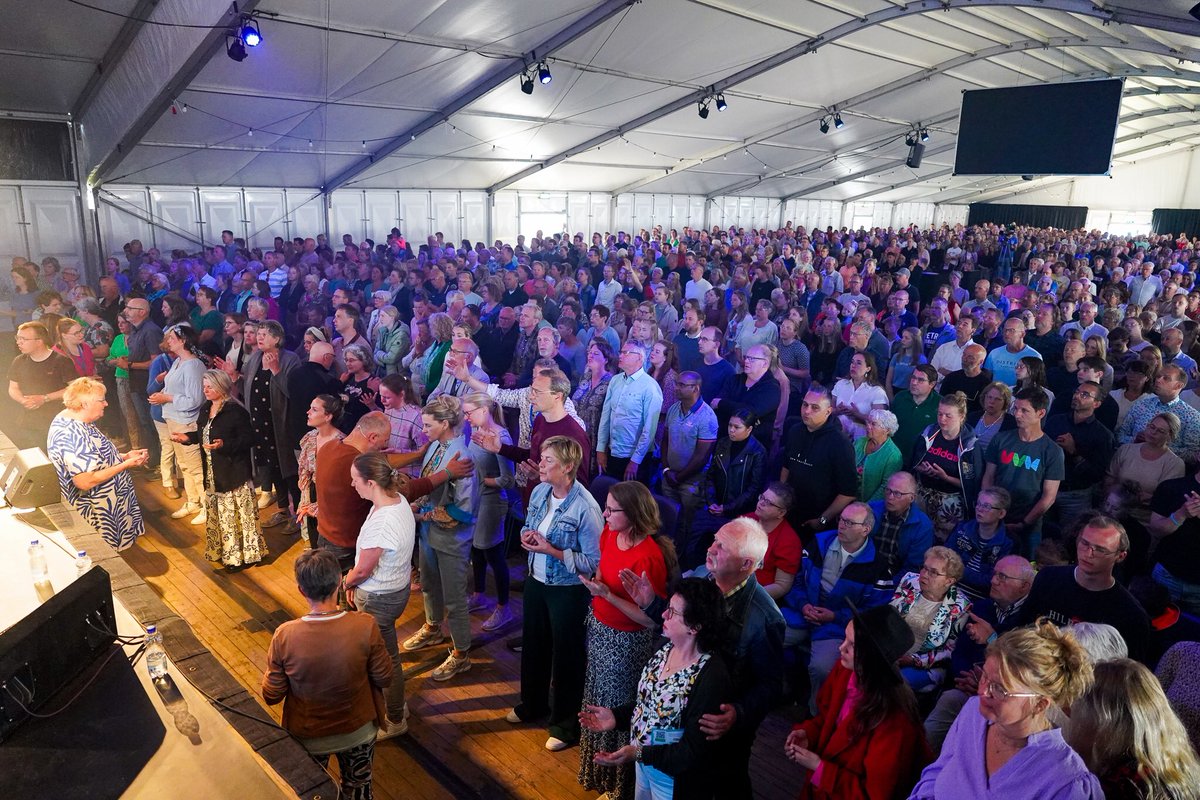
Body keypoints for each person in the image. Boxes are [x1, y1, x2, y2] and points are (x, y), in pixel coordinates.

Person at [908, 621, 1100, 799]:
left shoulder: (1065, 782)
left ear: (1040, 704)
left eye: (1000, 689)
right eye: (984, 677)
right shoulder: (973, 712)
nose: (983, 691)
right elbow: (938, 772)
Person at [579, 577, 732, 800]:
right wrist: (616, 716)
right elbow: (649, 702)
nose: (663, 615)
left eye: (672, 612)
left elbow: (693, 750)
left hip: (674, 779)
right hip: (645, 764)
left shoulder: (711, 677)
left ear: (695, 627)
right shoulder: (665, 647)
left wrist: (638, 753)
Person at [261, 549, 393, 800]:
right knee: (359, 789)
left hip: (310, 735)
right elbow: (385, 677)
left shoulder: (284, 635)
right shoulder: (365, 625)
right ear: (339, 582)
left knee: (312, 793)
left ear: (301, 590)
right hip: (358, 730)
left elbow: (271, 695)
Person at [576, 482, 674, 799]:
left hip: (626, 643)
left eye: (611, 509)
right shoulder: (609, 533)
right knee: (598, 697)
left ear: (631, 515)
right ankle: (598, 771)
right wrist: (597, 586)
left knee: (617, 709)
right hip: (600, 629)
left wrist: (608, 597)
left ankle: (619, 785)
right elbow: (603, 573)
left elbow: (651, 619)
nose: (604, 514)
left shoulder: (649, 558)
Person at [506, 435, 603, 752]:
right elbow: (530, 524)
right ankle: (532, 704)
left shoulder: (586, 508)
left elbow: (592, 562)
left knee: (567, 656)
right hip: (537, 580)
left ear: (569, 466)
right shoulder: (539, 491)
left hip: (568, 589)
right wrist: (527, 536)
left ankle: (565, 724)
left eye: (548, 460)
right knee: (534, 645)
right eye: (542, 458)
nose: (541, 464)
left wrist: (553, 550)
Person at [783, 603, 929, 800]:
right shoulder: (845, 670)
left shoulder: (895, 722)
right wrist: (808, 733)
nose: (841, 648)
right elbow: (825, 719)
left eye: (852, 645)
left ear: (873, 658)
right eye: (845, 639)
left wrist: (820, 768)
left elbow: (875, 795)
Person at [781, 503, 893, 714]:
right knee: (766, 635)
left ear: (866, 529)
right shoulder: (818, 543)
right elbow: (794, 580)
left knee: (822, 668)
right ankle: (777, 688)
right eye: (841, 519)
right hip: (801, 613)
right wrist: (803, 604)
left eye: (849, 523)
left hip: (837, 627)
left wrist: (835, 616)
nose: (841, 525)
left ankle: (816, 714)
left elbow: (873, 611)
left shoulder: (877, 566)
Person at [923, 555, 1034, 753]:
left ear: (1024, 587)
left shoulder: (1031, 620)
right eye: (994, 574)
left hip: (1004, 698)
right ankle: (918, 761)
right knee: (948, 703)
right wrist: (967, 679)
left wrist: (985, 680)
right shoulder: (982, 608)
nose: (993, 581)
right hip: (964, 688)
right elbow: (960, 652)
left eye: (1002, 577)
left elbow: (1020, 665)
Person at [402, 395, 477, 682]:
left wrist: (425, 514)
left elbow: (464, 510)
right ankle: (433, 628)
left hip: (451, 538)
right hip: (429, 533)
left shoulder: (463, 457)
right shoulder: (435, 445)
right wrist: (420, 506)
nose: (423, 430)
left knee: (455, 599)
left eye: (428, 424)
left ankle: (461, 654)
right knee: (430, 586)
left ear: (445, 424)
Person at [343, 452, 417, 741]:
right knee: (387, 655)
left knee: (387, 661)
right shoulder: (396, 502)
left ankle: (396, 718)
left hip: (379, 598)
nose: (352, 485)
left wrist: (345, 582)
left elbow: (363, 570)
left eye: (355, 480)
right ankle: (399, 706)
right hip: (395, 589)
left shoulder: (382, 522)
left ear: (371, 482)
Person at [1016, 516, 1151, 664]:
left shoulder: (1130, 614)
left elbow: (1128, 672)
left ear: (1120, 556)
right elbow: (1023, 625)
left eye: (1100, 549)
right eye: (1084, 543)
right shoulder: (1048, 577)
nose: (1088, 553)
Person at [1066, 658, 1200, 800]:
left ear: (1098, 720)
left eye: (1076, 705)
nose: (1070, 712)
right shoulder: (1172, 763)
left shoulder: (1122, 784)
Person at [169, 369, 265, 568]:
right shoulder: (206, 409)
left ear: (221, 387)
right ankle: (225, 552)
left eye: (209, 386)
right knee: (221, 517)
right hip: (214, 474)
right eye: (204, 386)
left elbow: (250, 439)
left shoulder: (236, 411)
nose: (205, 390)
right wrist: (187, 438)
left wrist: (224, 445)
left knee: (235, 516)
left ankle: (239, 558)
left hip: (233, 473)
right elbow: (203, 435)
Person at [47, 377, 148, 551]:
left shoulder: (76, 420)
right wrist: (126, 465)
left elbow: (94, 459)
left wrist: (123, 457)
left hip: (111, 503)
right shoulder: (72, 435)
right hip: (100, 513)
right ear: (85, 404)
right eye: (102, 400)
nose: (106, 404)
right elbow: (85, 481)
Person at [982, 387, 1064, 558]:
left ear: (1041, 413)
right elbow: (988, 477)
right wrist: (989, 508)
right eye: (1016, 409)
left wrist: (1024, 523)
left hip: (1029, 524)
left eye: (1024, 410)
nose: (1017, 414)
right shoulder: (1001, 439)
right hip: (995, 517)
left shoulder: (1052, 451)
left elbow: (1049, 496)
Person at [684, 408, 766, 570]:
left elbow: (753, 489)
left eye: (737, 427)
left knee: (722, 554)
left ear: (749, 429)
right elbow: (710, 476)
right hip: (714, 507)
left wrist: (727, 508)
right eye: (730, 425)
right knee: (693, 543)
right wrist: (712, 502)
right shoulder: (722, 443)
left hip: (736, 512)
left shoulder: (757, 452)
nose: (731, 430)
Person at [462, 392, 516, 632]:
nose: (465, 418)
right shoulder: (474, 433)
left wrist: (485, 482)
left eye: (468, 412)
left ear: (484, 411)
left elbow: (508, 479)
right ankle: (479, 594)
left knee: (492, 553)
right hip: (476, 498)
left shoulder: (500, 436)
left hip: (492, 502)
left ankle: (504, 608)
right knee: (477, 548)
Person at [243, 320, 302, 531]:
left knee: (289, 470)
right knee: (272, 466)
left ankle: (299, 515)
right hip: (260, 423)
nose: (259, 337)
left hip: (281, 425)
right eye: (258, 334)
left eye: (265, 334)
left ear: (277, 339)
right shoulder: (255, 358)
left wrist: (276, 370)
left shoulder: (290, 359)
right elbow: (248, 387)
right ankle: (282, 509)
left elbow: (293, 393)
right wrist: (233, 376)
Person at [890, 546, 971, 692]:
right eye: (924, 568)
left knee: (892, 682)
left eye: (933, 572)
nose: (924, 575)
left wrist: (912, 659)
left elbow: (948, 651)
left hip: (925, 665)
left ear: (949, 581)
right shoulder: (910, 581)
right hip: (891, 650)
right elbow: (890, 615)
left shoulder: (961, 606)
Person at [149, 324, 208, 525]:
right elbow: (172, 389)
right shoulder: (178, 363)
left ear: (183, 340)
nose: (168, 340)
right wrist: (163, 395)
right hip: (173, 419)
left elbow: (195, 399)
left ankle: (207, 505)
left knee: (195, 467)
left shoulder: (193, 365)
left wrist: (166, 397)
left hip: (186, 422)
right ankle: (193, 501)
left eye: (172, 337)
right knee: (183, 465)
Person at [782, 386, 858, 539]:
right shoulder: (795, 430)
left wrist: (823, 519)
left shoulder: (840, 443)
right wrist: (781, 498)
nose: (807, 411)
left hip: (816, 519)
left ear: (828, 411)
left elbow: (848, 492)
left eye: (814, 407)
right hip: (788, 512)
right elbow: (786, 466)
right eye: (805, 405)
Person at [1043, 381, 1116, 529]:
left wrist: (1073, 451)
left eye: (1085, 395)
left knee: (1070, 534)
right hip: (1046, 487)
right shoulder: (1055, 421)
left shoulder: (1103, 435)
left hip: (1075, 495)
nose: (1077, 396)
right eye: (1077, 392)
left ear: (1096, 404)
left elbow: (1097, 474)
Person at [659, 370, 718, 538]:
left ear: (696, 389)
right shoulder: (673, 409)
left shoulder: (707, 417)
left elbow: (702, 456)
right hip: (669, 476)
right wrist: (666, 470)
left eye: (682, 385)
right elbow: (665, 441)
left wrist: (679, 477)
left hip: (692, 482)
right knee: (668, 522)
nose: (676, 388)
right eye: (676, 384)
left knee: (687, 525)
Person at [598, 340, 663, 481]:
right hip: (613, 451)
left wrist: (635, 461)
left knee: (632, 501)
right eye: (620, 352)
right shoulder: (615, 381)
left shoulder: (650, 387)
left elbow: (649, 429)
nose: (620, 356)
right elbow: (606, 416)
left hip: (635, 457)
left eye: (625, 353)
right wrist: (600, 448)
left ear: (639, 357)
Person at [9, 321, 77, 448]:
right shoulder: (19, 361)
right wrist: (22, 400)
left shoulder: (61, 361)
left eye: (23, 339)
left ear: (39, 341)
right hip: (28, 422)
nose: (19, 342)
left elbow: (75, 388)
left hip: (57, 422)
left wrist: (44, 398)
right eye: (17, 338)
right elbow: (13, 387)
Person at [297, 394, 346, 550]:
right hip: (313, 492)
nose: (308, 412)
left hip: (330, 498)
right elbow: (304, 471)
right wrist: (305, 501)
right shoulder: (310, 438)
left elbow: (340, 483)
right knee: (314, 540)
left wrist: (318, 506)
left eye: (314, 409)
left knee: (328, 544)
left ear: (328, 416)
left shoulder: (340, 443)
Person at [870, 471, 936, 580]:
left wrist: (888, 585)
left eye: (897, 493)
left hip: (895, 575)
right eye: (888, 490)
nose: (890, 497)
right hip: (865, 565)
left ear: (911, 498)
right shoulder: (871, 510)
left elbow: (913, 568)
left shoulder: (922, 526)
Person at [747, 481, 803, 601]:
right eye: (762, 497)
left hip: (756, 597)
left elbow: (782, 586)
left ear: (781, 513)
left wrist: (746, 595)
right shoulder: (747, 520)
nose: (761, 503)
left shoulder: (789, 541)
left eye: (768, 503)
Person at [833, 351, 889, 439]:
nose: (853, 365)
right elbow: (828, 410)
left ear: (868, 368)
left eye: (859, 363)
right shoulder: (840, 384)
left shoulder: (877, 391)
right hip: (836, 432)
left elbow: (879, 422)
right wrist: (837, 410)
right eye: (852, 362)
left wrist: (857, 414)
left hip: (862, 437)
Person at [853, 408, 902, 502]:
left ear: (887, 430)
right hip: (848, 497)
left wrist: (866, 507)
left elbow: (886, 487)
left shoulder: (893, 455)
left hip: (871, 506)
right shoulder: (860, 442)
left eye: (873, 424)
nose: (868, 426)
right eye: (868, 422)